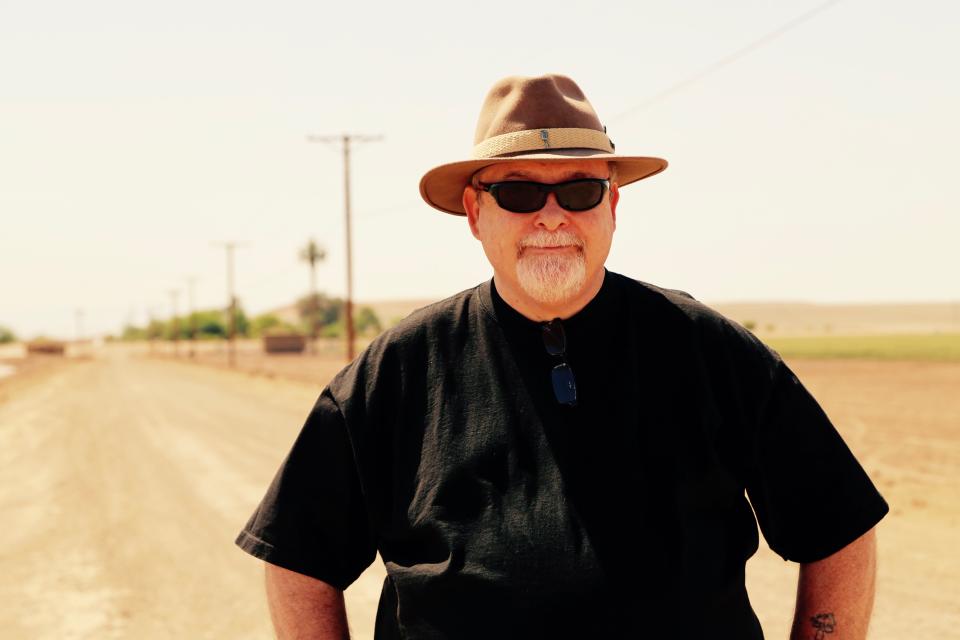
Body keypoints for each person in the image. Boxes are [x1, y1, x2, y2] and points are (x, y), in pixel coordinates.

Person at [236, 74, 888, 639]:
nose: (552, 216)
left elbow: (840, 527)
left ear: (613, 205)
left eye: (579, 191)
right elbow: (298, 554)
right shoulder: (400, 369)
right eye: (519, 193)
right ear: (474, 210)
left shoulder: (711, 351)